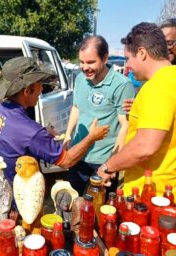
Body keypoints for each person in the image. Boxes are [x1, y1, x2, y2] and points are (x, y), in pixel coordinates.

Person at [0, 57, 109, 193]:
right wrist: (91, 137)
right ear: (27, 91)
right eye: (40, 84)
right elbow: (67, 161)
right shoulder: (32, 132)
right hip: (16, 205)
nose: (41, 90)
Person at [97, 22, 176, 203]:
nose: (128, 66)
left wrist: (109, 166)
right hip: (174, 189)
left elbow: (144, 147)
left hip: (151, 197)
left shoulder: (158, 87)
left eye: (128, 58)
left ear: (142, 52)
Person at [63, 35, 135, 197]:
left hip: (102, 161)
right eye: (81, 62)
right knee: (74, 202)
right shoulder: (80, 79)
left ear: (104, 58)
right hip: (78, 153)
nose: (85, 67)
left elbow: (125, 125)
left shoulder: (122, 85)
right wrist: (68, 135)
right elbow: (76, 107)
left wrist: (112, 164)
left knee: (98, 208)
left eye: (90, 62)